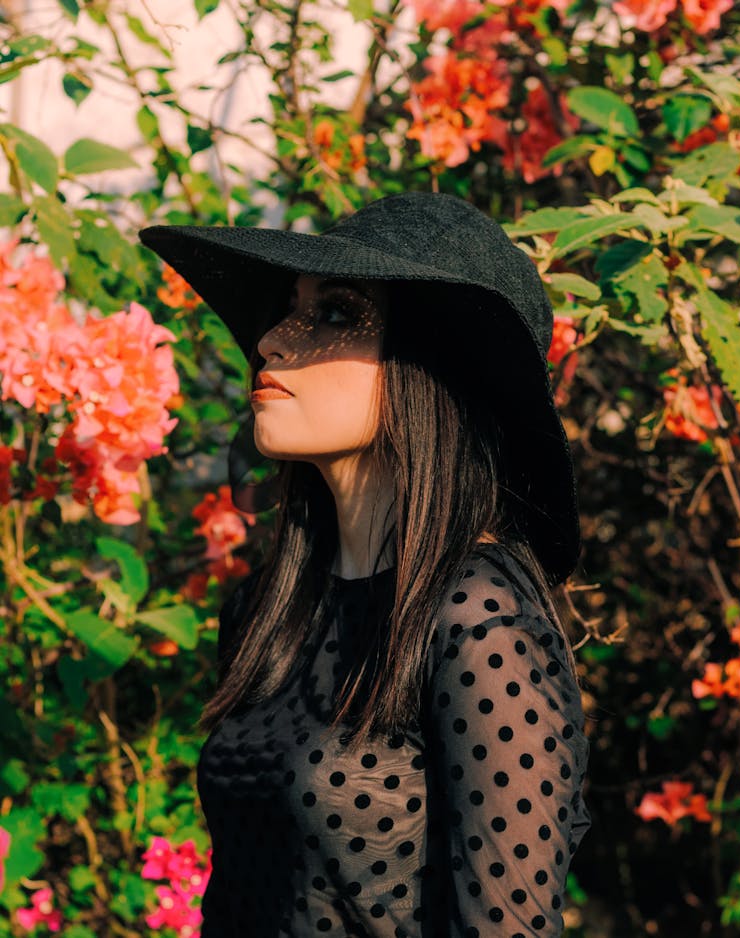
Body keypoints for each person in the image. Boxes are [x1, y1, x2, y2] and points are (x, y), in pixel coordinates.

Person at [138, 191, 593, 937]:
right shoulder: (269, 613)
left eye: (337, 312)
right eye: (290, 307)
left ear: (432, 363)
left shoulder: (480, 621)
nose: (274, 342)